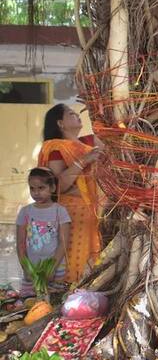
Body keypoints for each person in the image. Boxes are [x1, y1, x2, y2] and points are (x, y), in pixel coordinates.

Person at [37, 104, 103, 283]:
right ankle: (66, 295)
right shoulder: (56, 148)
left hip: (94, 212)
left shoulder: (87, 143)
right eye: (71, 114)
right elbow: (58, 185)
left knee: (92, 259)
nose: (77, 115)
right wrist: (83, 161)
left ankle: (85, 294)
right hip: (72, 213)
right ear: (60, 123)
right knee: (71, 258)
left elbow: (113, 139)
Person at [16, 168, 71, 296]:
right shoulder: (25, 212)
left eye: (41, 188)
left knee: (53, 304)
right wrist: (26, 269)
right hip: (32, 269)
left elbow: (63, 243)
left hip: (56, 269)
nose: (36, 193)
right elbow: (20, 243)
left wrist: (51, 268)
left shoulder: (60, 211)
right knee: (30, 303)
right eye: (32, 188)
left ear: (52, 188)